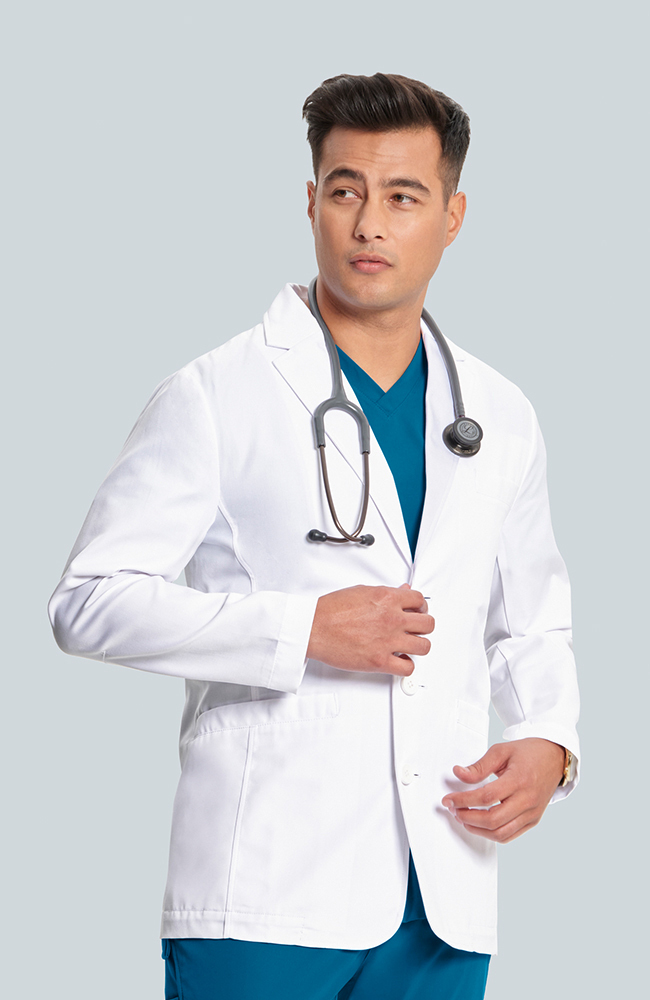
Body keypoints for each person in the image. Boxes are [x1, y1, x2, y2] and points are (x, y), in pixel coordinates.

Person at [49, 73, 580, 1000]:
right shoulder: (216, 394)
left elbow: (530, 616)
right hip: (266, 890)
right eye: (345, 191)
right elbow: (88, 604)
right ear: (311, 203)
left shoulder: (499, 413)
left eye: (403, 196)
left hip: (443, 891)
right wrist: (301, 630)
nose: (369, 224)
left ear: (452, 218)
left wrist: (549, 738)